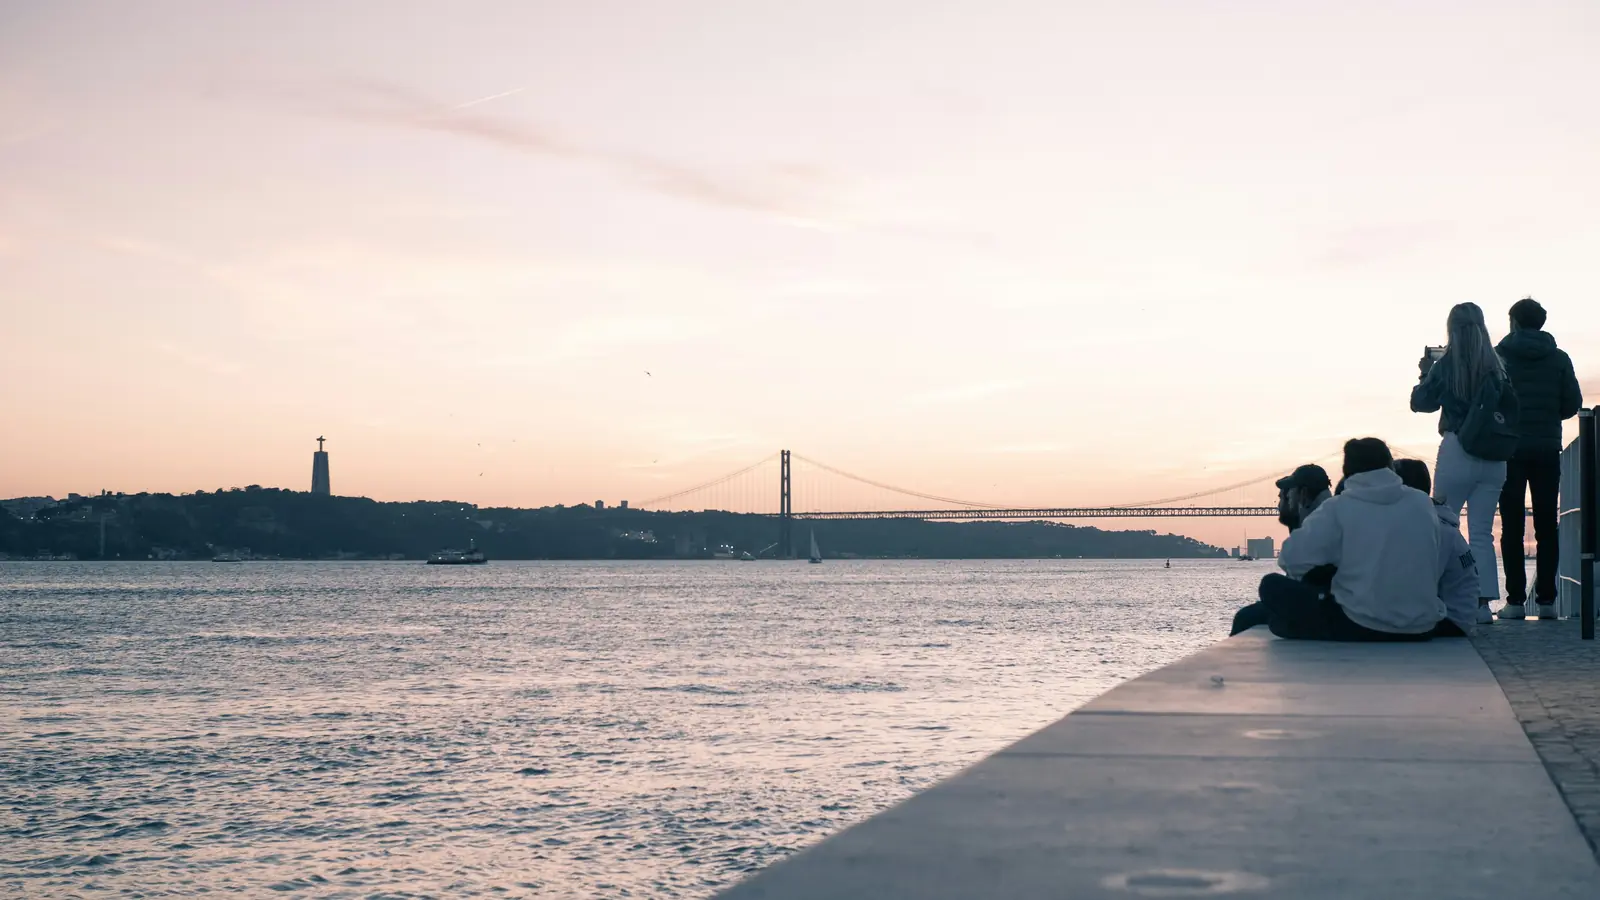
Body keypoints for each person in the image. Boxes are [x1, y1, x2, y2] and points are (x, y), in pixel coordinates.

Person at [1230, 438, 1444, 641]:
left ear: (1347, 472)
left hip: (1363, 627)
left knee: (1271, 586)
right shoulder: (1422, 503)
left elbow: (1290, 558)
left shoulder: (1339, 507)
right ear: (1390, 466)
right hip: (1421, 628)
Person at [1411, 302, 1515, 622]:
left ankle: (1443, 597)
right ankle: (1482, 604)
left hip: (1458, 451)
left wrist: (1426, 372)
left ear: (1451, 330)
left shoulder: (1447, 366)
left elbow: (1420, 403)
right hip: (1495, 458)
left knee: (1444, 525)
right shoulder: (1498, 367)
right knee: (1482, 532)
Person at [1495, 297, 1584, 620]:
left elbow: (1491, 398)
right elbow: (1571, 403)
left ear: (1514, 322)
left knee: (1512, 525)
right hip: (1547, 447)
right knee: (1548, 524)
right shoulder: (1559, 358)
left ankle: (1516, 602)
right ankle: (1547, 602)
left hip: (1509, 449)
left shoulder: (1498, 356)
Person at [1393, 458, 1479, 637]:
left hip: (1451, 620)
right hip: (1457, 614)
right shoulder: (1435, 521)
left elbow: (1421, 581)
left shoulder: (1433, 529)